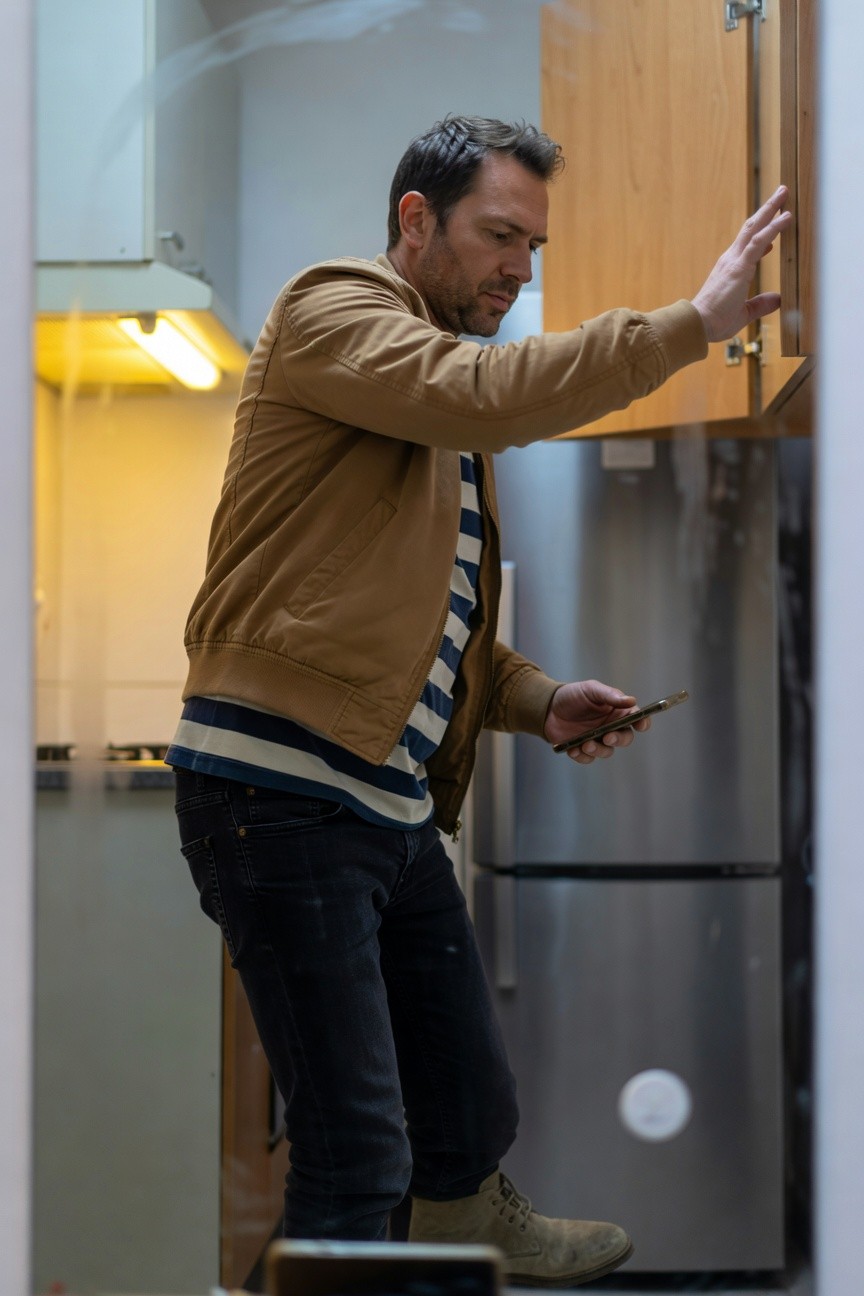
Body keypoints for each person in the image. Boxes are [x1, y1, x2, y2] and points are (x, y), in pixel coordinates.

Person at [167, 115, 791, 1287]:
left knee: (466, 1109)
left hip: (379, 798)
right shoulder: (335, 311)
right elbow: (487, 393)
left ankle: (463, 1227)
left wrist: (539, 698)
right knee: (357, 1153)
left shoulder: (435, 419)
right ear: (417, 220)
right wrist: (687, 327)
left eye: (533, 246)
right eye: (502, 235)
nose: (521, 267)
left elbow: (423, 629)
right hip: (279, 792)